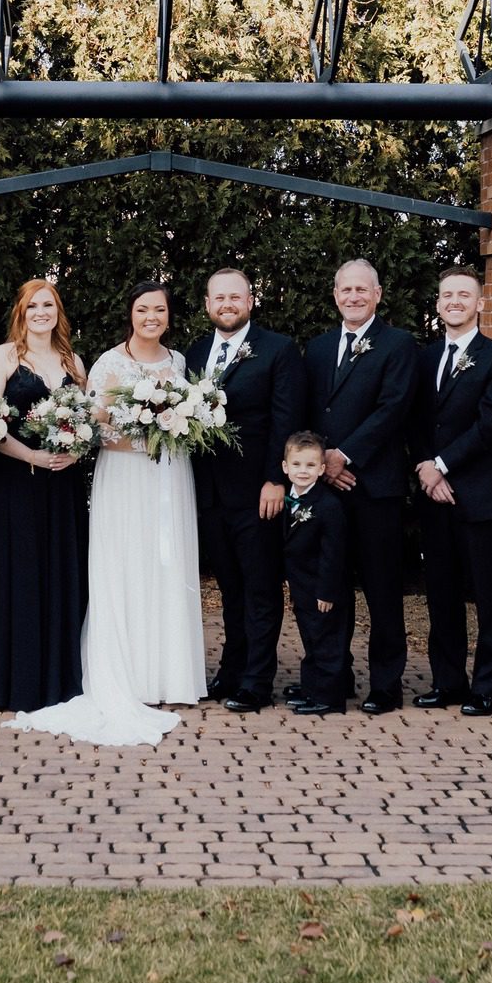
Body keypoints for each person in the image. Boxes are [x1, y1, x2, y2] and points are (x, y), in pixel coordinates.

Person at [8, 282, 204, 745]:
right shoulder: (108, 363)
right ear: (130, 315)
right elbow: (90, 429)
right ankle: (129, 674)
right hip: (125, 478)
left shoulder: (178, 364)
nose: (151, 317)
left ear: (169, 317)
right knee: (125, 566)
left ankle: (170, 675)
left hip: (171, 476)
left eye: (159, 310)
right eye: (142, 309)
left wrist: (175, 429)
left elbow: (188, 420)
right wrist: (146, 435)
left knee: (168, 565)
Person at [298, 259, 417, 715]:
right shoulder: (321, 347)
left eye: (361, 290)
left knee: (383, 589)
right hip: (327, 489)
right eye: (345, 290)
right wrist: (321, 464)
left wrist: (342, 456)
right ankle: (335, 675)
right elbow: (311, 411)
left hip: (374, 487)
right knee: (331, 586)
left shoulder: (398, 344)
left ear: (377, 294)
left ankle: (386, 684)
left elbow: (392, 409)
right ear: (335, 295)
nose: (353, 297)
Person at [183, 268, 304, 713]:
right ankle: (231, 670)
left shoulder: (278, 350)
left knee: (260, 587)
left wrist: (276, 479)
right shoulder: (195, 354)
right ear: (208, 304)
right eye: (219, 298)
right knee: (230, 588)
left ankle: (256, 680)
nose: (227, 305)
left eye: (236, 297)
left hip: (258, 492)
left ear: (250, 301)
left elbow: (285, 418)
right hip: (209, 494)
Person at [0, 280, 89, 711]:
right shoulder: (3, 357)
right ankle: (15, 680)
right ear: (20, 312)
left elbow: (85, 421)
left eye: (49, 304)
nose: (41, 312)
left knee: (60, 572)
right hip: (14, 482)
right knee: (18, 574)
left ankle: (60, 677)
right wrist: (31, 455)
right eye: (33, 305)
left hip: (63, 487)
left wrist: (74, 453)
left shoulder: (72, 360)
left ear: (58, 310)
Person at [411, 267, 492, 717]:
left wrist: (441, 465)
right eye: (446, 295)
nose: (454, 301)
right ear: (438, 305)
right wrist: (423, 467)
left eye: (463, 295)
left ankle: (487, 685)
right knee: (441, 594)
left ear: (480, 304)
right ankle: (448, 681)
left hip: (479, 494)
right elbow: (415, 420)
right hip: (432, 495)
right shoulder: (423, 358)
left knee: (490, 596)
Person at [280, 433, 350, 714]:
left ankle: (330, 698)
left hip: (323, 589)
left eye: (310, 466)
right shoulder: (288, 500)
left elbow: (334, 553)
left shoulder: (328, 505)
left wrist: (327, 591)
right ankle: (311, 690)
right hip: (302, 585)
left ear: (322, 469)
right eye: (296, 464)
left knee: (327, 642)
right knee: (310, 638)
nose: (303, 471)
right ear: (285, 467)